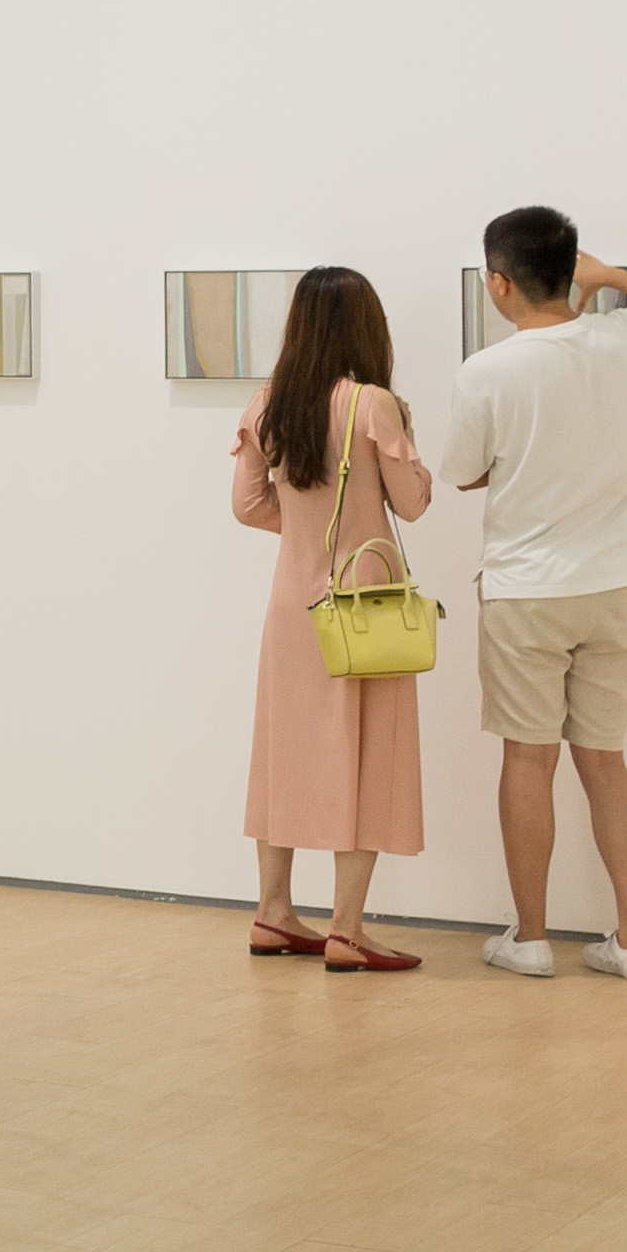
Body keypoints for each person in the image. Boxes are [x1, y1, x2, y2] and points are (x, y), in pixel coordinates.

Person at [440, 209, 627, 985]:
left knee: (527, 760)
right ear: (571, 269)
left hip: (526, 591)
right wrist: (610, 280)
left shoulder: (487, 371)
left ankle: (531, 938)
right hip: (615, 586)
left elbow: (463, 473)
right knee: (606, 763)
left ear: (499, 283)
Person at [228, 266, 434, 972]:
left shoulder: (268, 402)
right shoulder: (373, 404)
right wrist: (407, 436)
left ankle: (273, 912)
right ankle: (347, 929)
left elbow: (247, 504)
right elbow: (413, 505)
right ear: (366, 327)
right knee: (369, 753)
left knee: (282, 749)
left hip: (293, 604)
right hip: (366, 604)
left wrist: (304, 529)